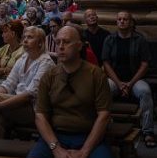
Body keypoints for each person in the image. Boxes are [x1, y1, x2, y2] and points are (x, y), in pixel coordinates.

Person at [30, 26, 112, 158]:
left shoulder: (96, 74)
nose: (61, 47)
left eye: (66, 42)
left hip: (89, 136)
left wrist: (85, 151)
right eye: (58, 42)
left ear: (79, 46)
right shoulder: (49, 76)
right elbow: (40, 116)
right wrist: (56, 148)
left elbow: (104, 115)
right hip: (55, 136)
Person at [0, 25, 54, 138]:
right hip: (17, 104)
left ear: (40, 43)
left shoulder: (46, 63)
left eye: (30, 37)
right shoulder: (23, 58)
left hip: (35, 110)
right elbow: (8, 84)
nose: (25, 40)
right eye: (24, 37)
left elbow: (30, 95)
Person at [102, 11, 157, 147]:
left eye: (125, 19)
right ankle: (104, 126)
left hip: (135, 79)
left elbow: (144, 63)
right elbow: (106, 63)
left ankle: (148, 132)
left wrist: (130, 83)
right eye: (119, 19)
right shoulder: (110, 39)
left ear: (131, 22)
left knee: (145, 91)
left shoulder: (140, 40)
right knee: (104, 89)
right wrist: (119, 83)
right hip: (116, 80)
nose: (122, 21)